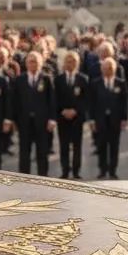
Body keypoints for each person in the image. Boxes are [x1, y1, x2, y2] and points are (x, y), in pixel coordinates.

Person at [11, 51, 57, 176]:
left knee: (42, 152)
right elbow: (14, 101)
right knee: (24, 152)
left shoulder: (46, 79)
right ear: (26, 64)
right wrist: (13, 120)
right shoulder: (20, 80)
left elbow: (52, 100)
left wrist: (52, 119)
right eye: (30, 61)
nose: (33, 64)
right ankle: (24, 179)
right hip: (24, 122)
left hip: (42, 122)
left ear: (41, 63)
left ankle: (43, 178)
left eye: (36, 61)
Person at [89, 56, 127, 180]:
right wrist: (92, 120)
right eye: (105, 67)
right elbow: (92, 103)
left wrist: (124, 119)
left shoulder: (120, 83)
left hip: (115, 120)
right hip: (100, 120)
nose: (108, 69)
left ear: (114, 69)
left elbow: (124, 103)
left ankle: (112, 170)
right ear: (102, 68)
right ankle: (102, 170)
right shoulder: (95, 83)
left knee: (114, 146)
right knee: (102, 146)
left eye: (110, 67)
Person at [54, 49, 88, 179]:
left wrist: (76, 110)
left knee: (77, 145)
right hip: (62, 117)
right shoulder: (58, 79)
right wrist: (62, 111)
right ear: (64, 63)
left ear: (77, 63)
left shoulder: (83, 79)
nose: (70, 63)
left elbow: (85, 99)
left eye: (73, 61)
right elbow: (55, 98)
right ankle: (65, 170)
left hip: (77, 117)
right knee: (64, 145)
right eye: (68, 61)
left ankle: (76, 171)